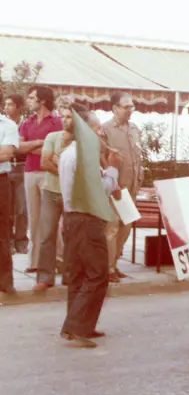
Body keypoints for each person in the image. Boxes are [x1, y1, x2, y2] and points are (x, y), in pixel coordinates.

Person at [59, 105, 121, 347]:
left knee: (78, 274)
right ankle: (77, 327)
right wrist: (113, 167)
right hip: (87, 218)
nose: (100, 135)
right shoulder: (82, 156)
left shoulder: (70, 153)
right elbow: (101, 190)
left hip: (74, 217)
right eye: (96, 130)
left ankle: (81, 325)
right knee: (97, 274)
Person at [18, 86, 63, 273]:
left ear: (42, 100)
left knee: (51, 218)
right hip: (30, 172)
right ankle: (35, 260)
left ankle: (58, 258)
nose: (28, 100)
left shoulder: (57, 122)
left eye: (31, 97)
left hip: (48, 173)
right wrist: (40, 144)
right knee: (34, 217)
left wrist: (30, 147)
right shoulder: (27, 123)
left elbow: (57, 149)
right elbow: (18, 147)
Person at [101, 92, 143, 283]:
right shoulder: (106, 130)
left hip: (132, 185)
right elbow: (102, 158)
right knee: (112, 227)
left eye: (131, 107)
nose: (129, 110)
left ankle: (115, 263)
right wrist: (112, 181)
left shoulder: (134, 129)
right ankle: (107, 267)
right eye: (125, 106)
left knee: (126, 225)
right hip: (116, 186)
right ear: (115, 108)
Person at [34, 108, 73, 291]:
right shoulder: (52, 137)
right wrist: (66, 169)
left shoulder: (81, 141)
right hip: (51, 191)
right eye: (63, 117)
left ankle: (70, 275)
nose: (65, 120)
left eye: (69, 117)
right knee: (47, 235)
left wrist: (59, 162)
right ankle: (45, 277)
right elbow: (44, 162)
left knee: (72, 236)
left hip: (72, 194)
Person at [3, 94, 29, 255]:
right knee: (7, 208)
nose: (7, 107)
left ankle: (21, 240)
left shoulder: (25, 124)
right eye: (5, 104)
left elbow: (22, 147)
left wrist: (19, 146)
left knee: (21, 208)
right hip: (6, 167)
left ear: (19, 107)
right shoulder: (3, 125)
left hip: (21, 167)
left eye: (11, 104)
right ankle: (9, 240)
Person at [0, 111, 20, 295]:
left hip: (1, 181)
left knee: (2, 232)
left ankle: (5, 280)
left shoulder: (8, 125)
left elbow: (6, 154)